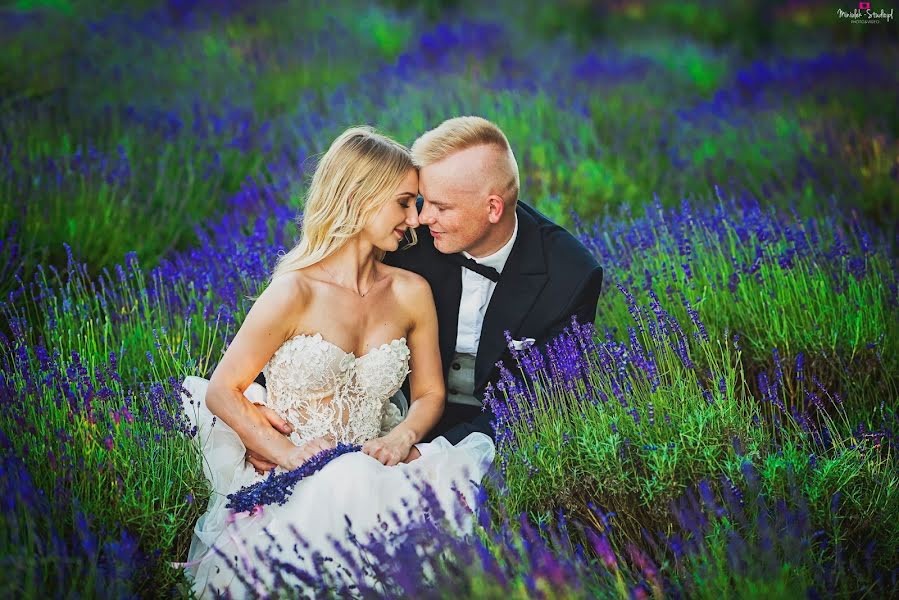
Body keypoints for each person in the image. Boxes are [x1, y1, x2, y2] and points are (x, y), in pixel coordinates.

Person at [176, 126, 495, 598]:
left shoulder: (411, 292)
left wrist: (402, 435)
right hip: (298, 476)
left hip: (381, 463)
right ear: (362, 196)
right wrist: (285, 453)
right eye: (404, 202)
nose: (416, 217)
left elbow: (430, 393)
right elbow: (224, 389)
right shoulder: (294, 291)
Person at [247, 116, 603, 469]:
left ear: (492, 208)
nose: (422, 217)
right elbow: (312, 309)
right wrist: (261, 417)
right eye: (421, 200)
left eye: (440, 207)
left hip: (489, 430)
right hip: (385, 421)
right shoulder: (402, 230)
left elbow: (541, 400)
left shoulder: (570, 276)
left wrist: (424, 452)